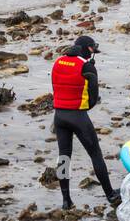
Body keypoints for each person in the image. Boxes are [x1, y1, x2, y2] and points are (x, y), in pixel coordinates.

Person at [50, 35, 119, 209]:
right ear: (88, 49)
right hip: (78, 116)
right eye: (92, 51)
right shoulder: (87, 66)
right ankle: (110, 195)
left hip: (59, 117)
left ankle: (66, 201)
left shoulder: (58, 61)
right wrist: (84, 107)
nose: (92, 55)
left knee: (64, 157)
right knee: (95, 154)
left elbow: (55, 87)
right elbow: (94, 96)